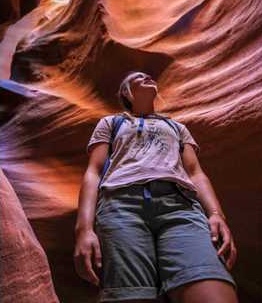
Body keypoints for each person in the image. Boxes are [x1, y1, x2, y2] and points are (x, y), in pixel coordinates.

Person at [74, 71, 238, 303]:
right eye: (138, 77)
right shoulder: (111, 123)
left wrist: (215, 214)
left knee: (209, 285)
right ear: (126, 92)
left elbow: (195, 173)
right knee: (131, 295)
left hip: (179, 206)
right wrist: (83, 230)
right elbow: (93, 172)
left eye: (148, 75)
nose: (147, 77)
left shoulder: (176, 127)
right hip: (121, 206)